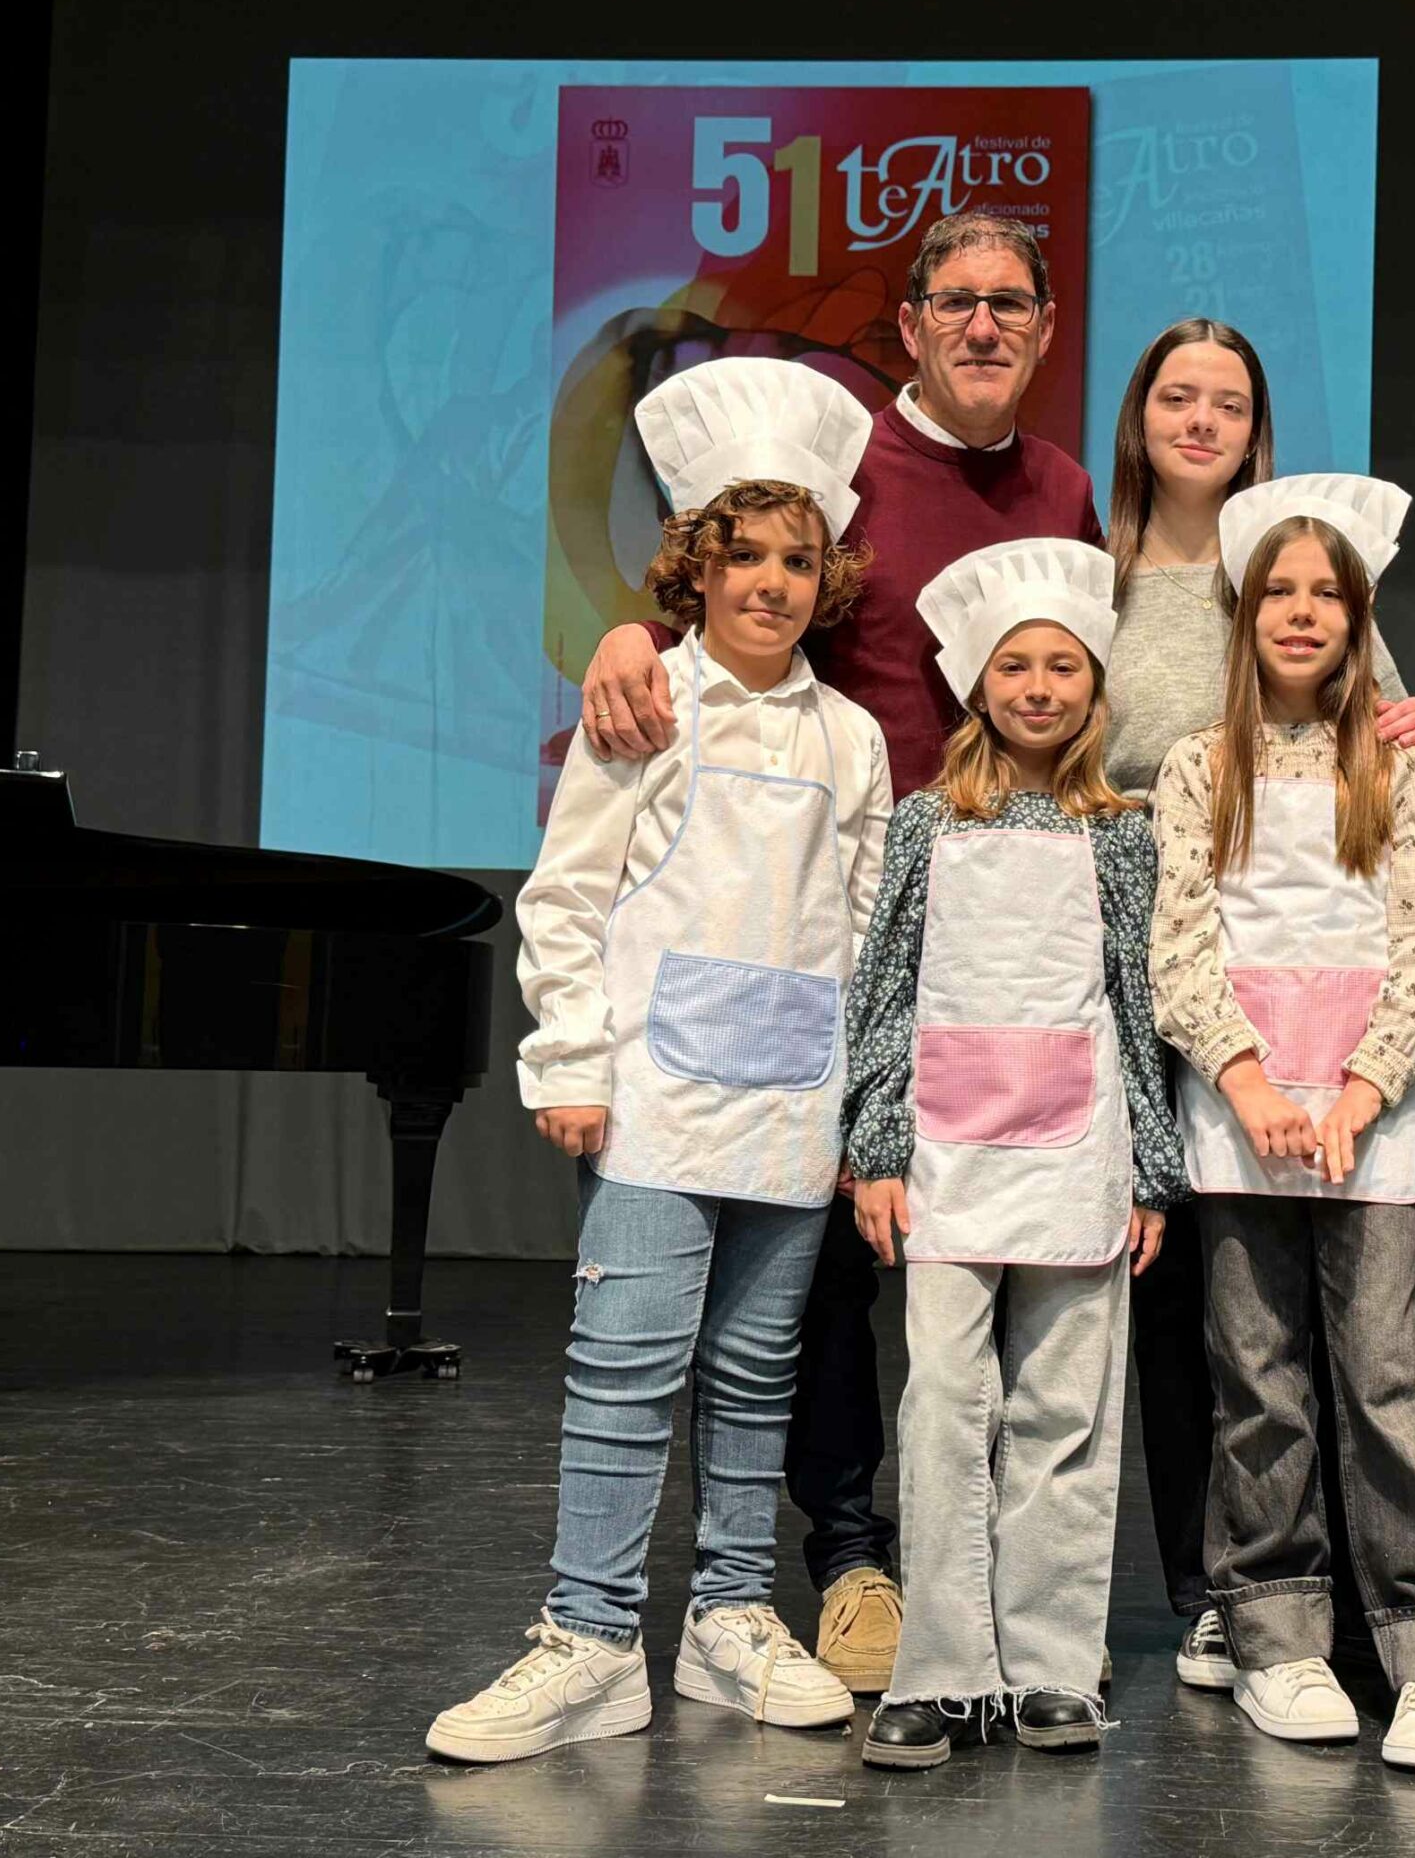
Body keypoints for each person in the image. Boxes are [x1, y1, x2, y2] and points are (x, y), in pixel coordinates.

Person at [574, 212, 1107, 1693]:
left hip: (1012, 926)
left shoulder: (1066, 490)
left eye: (1012, 303)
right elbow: (737, 576)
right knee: (822, 1268)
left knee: (985, 1250)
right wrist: (629, 636)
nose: (984, 325)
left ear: (1044, 328)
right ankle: (851, 1553)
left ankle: (980, 1566)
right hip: (845, 914)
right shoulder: (849, 460)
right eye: (957, 301)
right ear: (913, 324)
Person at [425, 359, 893, 1762]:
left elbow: (868, 932)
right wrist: (570, 1060)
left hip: (794, 1105)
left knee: (754, 1375)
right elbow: (568, 895)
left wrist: (864, 1110)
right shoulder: (644, 709)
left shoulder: (854, 738)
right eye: (745, 556)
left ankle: (731, 1617)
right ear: (695, 566)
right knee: (625, 1370)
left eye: (797, 559)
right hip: (655, 1099)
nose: (771, 583)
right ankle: (589, 1638)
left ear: (826, 576)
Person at [1095, 317, 1415, 1691]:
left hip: (1294, 956)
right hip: (1134, 939)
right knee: (1187, 1291)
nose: (1200, 420)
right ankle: (1219, 1589)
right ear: (1139, 416)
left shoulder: (1300, 564)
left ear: (1256, 429)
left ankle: (1338, 1593)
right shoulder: (1096, 575)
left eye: (1227, 402)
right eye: (1176, 396)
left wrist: (1414, 727)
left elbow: (1383, 730)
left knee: (1328, 1310)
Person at [1149, 475, 1415, 1773]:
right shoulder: (1200, 767)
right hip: (1242, 1122)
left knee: (1393, 1388)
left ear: (1358, 620)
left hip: (1372, 1125)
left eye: (1327, 596)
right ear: (1243, 617)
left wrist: (1358, 1090)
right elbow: (1180, 944)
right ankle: (1276, 1635)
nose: (1302, 614)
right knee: (1259, 1389)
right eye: (1279, 594)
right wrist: (1249, 1084)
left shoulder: (1398, 771)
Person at [841, 539, 1187, 1770]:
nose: (1039, 688)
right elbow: (885, 991)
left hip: (1079, 1153)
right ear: (977, 685)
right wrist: (877, 1143)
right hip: (946, 1154)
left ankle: (1049, 1665)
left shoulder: (1125, 834)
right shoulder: (926, 823)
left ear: (1095, 689)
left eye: (1063, 667)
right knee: (944, 1403)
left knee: (1064, 1413)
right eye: (1015, 666)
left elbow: (1139, 1008)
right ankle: (941, 1671)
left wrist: (1151, 1168)